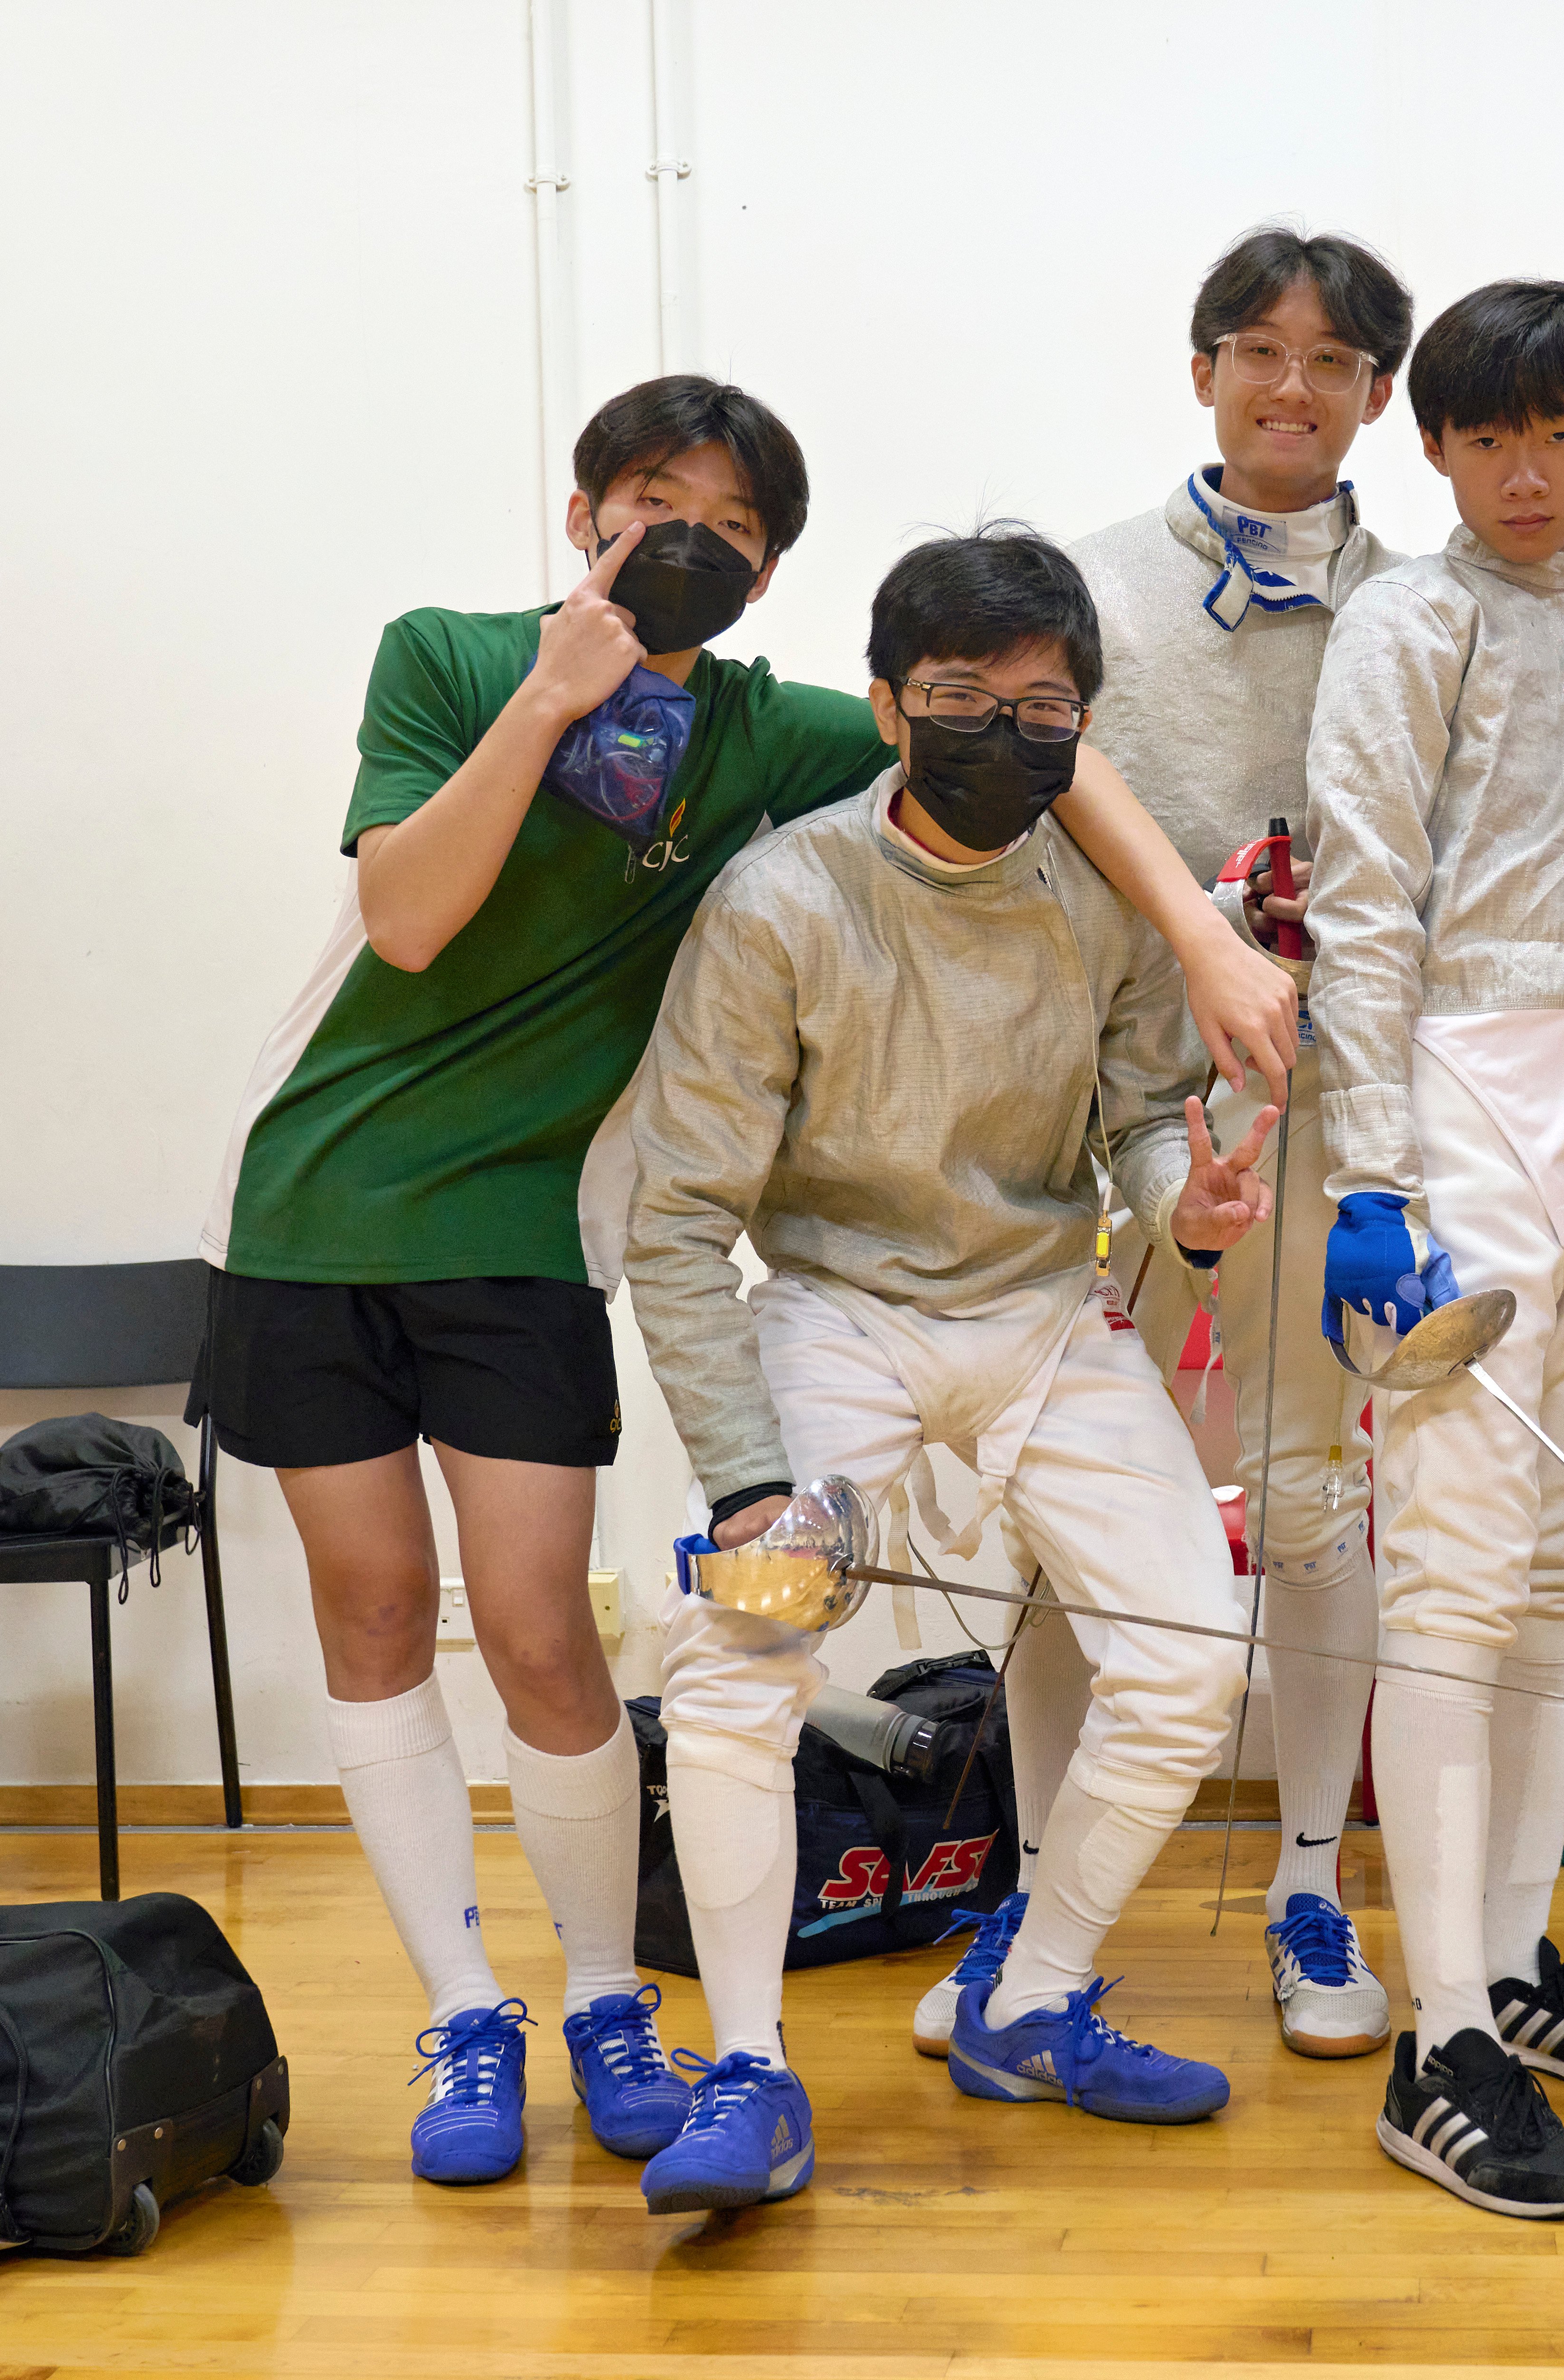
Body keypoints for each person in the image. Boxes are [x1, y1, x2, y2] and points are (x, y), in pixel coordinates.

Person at [196, 377, 1296, 2192]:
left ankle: (898, 1996)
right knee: (517, 1629)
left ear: (776, 570)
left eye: (731, 521)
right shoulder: (477, 675)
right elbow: (416, 932)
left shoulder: (779, 737)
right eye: (650, 502)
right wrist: (750, 1482)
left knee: (558, 1638)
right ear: (583, 513)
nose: (686, 540)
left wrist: (1195, 1091)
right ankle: (565, 2033)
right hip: (378, 1209)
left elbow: (1034, 752)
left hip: (621, 1252)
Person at [624, 527, 1273, 2214]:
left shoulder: (1108, 898)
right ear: (888, 707)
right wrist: (756, 1483)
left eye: (1044, 706)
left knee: (1193, 1658)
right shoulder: (782, 902)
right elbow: (681, 1222)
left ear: (1087, 724)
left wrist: (1180, 1199)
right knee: (738, 1663)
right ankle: (752, 2071)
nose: (1005, 732)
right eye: (962, 700)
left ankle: (1033, 1998)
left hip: (1048, 1317)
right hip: (838, 1314)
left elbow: (1136, 1117)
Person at [1304, 280, 1564, 2220]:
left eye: (1557, 432)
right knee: (1458, 1574)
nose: (1525, 469)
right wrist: (1369, 1175)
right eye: (1486, 438)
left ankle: (1515, 1958)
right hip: (1460, 1113)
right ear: (1437, 449)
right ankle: (1433, 2030)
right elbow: (1363, 897)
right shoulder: (1408, 622)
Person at [1011, 224, 1416, 2068]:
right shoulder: (1083, 587)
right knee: (1058, 1516)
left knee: (1319, 1501)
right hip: (1095, 1108)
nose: (1292, 388)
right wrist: (1196, 925)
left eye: (1333, 364)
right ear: (1202, 370)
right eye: (1259, 350)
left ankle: (1313, 1876)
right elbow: (1035, 761)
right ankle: (1041, 1893)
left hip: (1317, 1118)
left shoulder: (1421, 606)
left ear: (1377, 397)